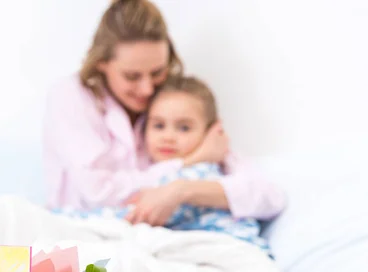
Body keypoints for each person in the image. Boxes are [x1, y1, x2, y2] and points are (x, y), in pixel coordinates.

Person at [42, 0, 285, 227]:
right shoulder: (71, 97)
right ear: (100, 64)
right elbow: (97, 194)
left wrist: (181, 190)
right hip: (84, 229)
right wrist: (190, 161)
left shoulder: (173, 103)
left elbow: (268, 195)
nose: (147, 89)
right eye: (132, 76)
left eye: (157, 72)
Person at [56, 74, 270, 254]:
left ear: (211, 130)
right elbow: (113, 208)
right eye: (158, 125)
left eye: (184, 128)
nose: (168, 137)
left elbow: (269, 195)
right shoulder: (138, 165)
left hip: (215, 247)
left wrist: (180, 190)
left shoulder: (221, 160)